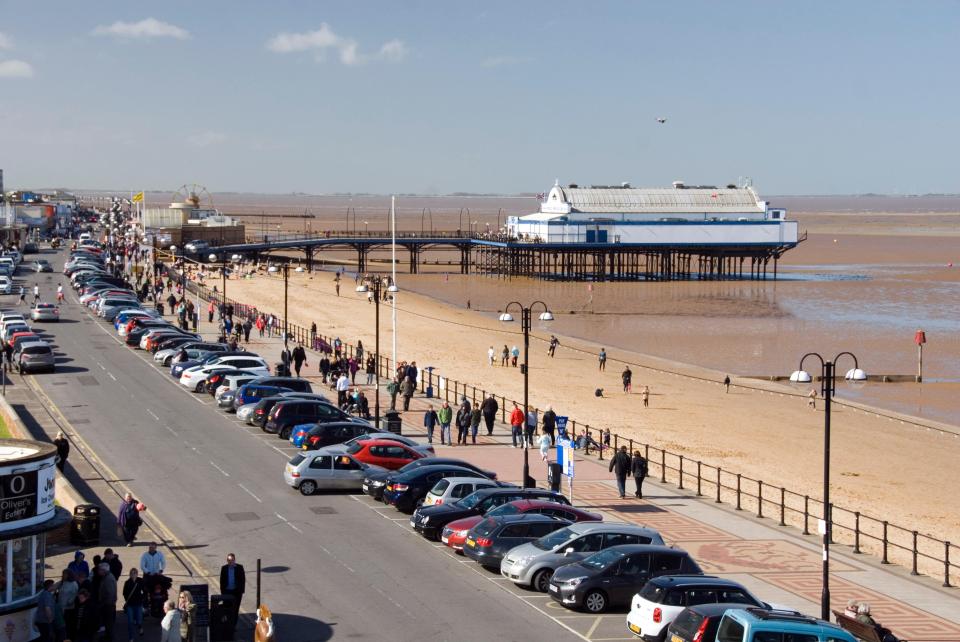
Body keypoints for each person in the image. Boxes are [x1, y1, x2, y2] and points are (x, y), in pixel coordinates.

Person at [219, 553, 245, 630]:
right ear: (227, 561)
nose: (231, 562)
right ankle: (227, 624)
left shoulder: (239, 568)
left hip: (236, 592)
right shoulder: (224, 568)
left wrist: (241, 591)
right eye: (229, 560)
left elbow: (243, 580)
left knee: (235, 609)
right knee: (227, 609)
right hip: (227, 592)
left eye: (232, 560)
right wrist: (223, 593)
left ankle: (233, 626)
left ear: (234, 560)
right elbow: (222, 581)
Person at [122, 569, 145, 642]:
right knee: (130, 622)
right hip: (130, 605)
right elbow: (124, 593)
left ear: (137, 574)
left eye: (135, 573)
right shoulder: (127, 582)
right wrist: (127, 600)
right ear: (130, 574)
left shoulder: (140, 581)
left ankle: (140, 626)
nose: (133, 574)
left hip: (138, 604)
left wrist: (142, 598)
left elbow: (145, 591)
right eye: (132, 573)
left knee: (139, 620)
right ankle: (131, 637)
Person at [97, 562, 118, 642]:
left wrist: (103, 603)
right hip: (108, 605)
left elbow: (110, 593)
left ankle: (109, 639)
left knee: (109, 624)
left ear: (103, 570)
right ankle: (108, 637)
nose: (98, 571)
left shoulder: (108, 578)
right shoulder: (107, 577)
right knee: (108, 624)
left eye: (100, 570)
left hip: (108, 605)